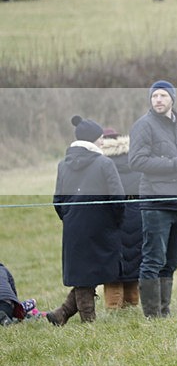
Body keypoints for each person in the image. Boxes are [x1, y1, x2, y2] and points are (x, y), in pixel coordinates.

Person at [129, 80, 177, 318]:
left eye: (163, 96)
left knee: (171, 260)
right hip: (157, 202)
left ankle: (165, 310)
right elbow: (137, 162)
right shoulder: (144, 125)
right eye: (154, 96)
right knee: (154, 259)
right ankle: (153, 315)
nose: (158, 100)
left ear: (173, 98)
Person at [48, 116, 125, 325]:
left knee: (86, 273)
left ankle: (61, 314)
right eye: (100, 138)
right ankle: (88, 323)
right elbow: (118, 198)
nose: (102, 142)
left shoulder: (63, 165)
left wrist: (71, 218)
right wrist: (115, 221)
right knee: (87, 275)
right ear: (93, 140)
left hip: (74, 227)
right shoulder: (104, 163)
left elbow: (58, 200)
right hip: (102, 227)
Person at [100, 127, 143, 310]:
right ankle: (132, 304)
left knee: (113, 269)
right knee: (133, 262)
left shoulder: (101, 162)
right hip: (136, 215)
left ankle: (113, 308)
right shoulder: (135, 160)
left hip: (111, 218)